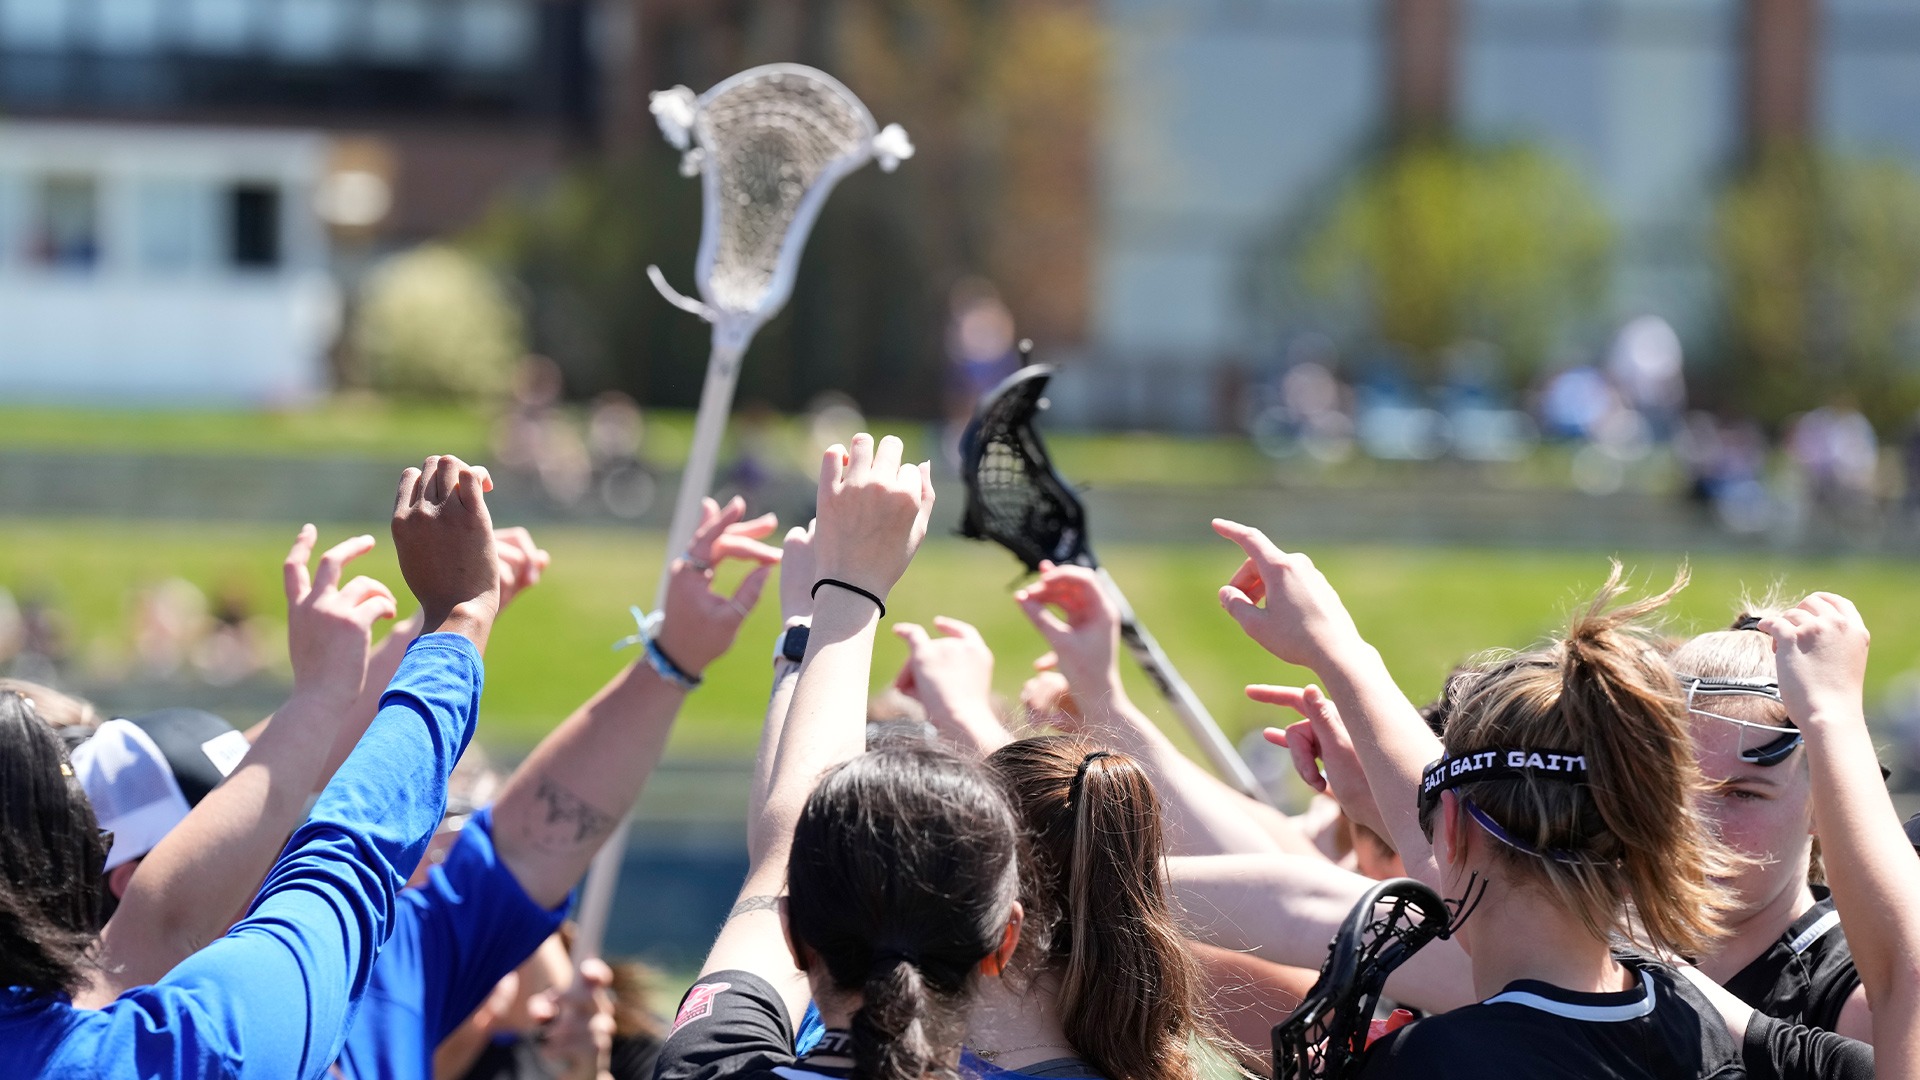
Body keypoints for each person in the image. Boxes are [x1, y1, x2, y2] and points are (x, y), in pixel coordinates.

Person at [0, 454, 501, 1078]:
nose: (269, 859)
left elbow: (163, 924)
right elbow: (341, 865)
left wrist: (326, 694)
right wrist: (458, 623)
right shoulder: (164, 1050)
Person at [334, 495, 780, 1080]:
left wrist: (672, 660)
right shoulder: (320, 958)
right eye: (438, 820)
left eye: (465, 818)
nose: (446, 848)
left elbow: (516, 851)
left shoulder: (396, 971)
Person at [657, 432, 1031, 1080]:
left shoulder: (705, 1068)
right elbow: (785, 868)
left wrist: (832, 605)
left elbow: (780, 860)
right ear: (1005, 943)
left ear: (797, 933)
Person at [1671, 610, 1869, 1039]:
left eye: (1743, 793)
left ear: (1825, 801)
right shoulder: (1588, 952)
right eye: (1672, 787)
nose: (1696, 826)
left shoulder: (1864, 995)